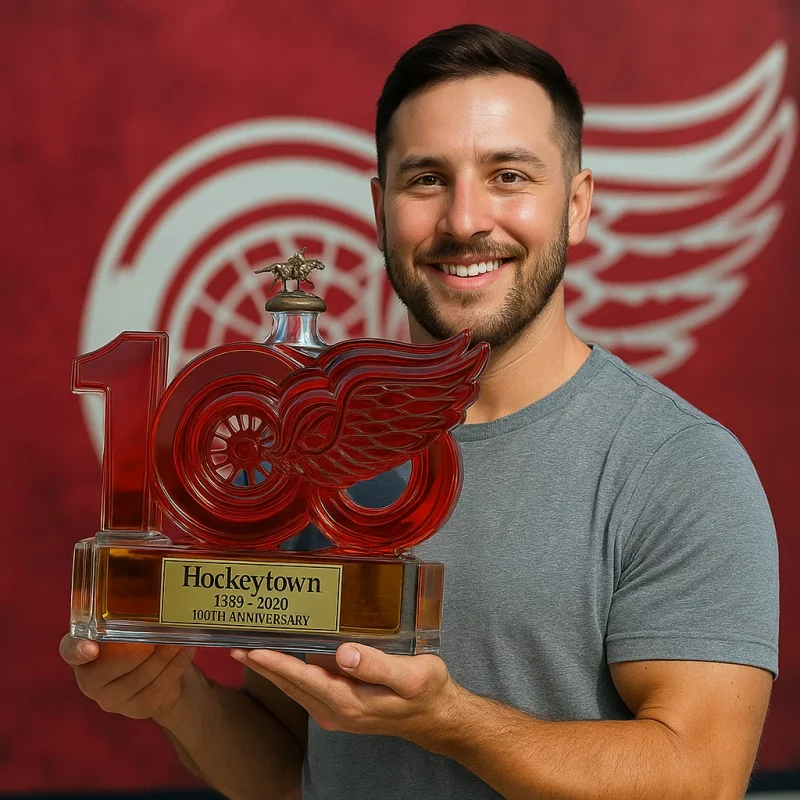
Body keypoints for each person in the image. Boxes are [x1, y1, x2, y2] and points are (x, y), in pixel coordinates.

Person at [60, 24, 778, 800]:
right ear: (380, 208)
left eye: (508, 176)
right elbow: (291, 768)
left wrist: (451, 722)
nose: (465, 221)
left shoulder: (677, 466)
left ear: (576, 205)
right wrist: (174, 698)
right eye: (427, 179)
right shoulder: (310, 447)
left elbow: (701, 778)